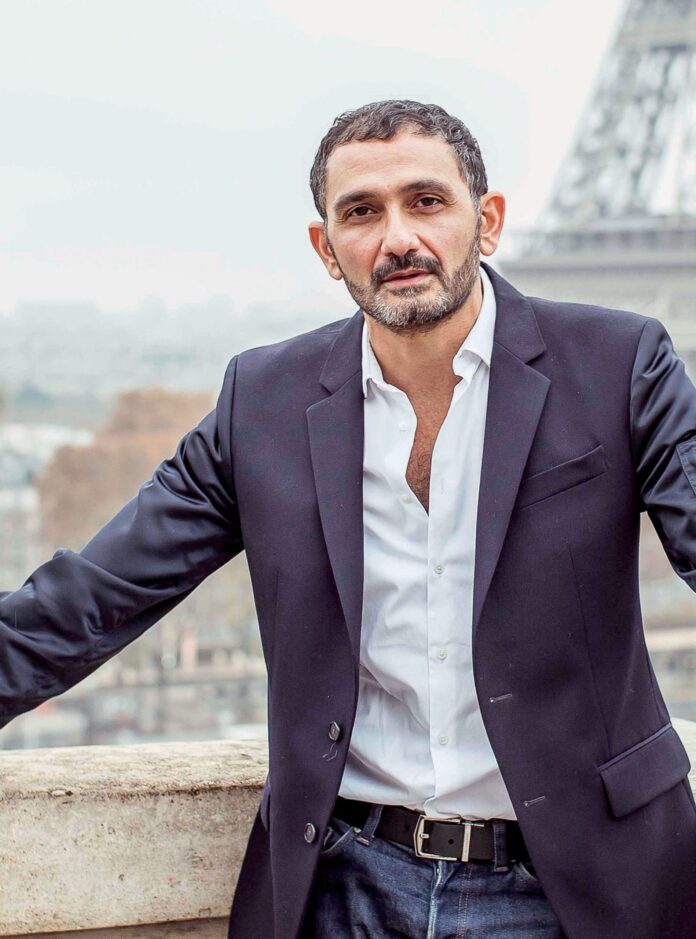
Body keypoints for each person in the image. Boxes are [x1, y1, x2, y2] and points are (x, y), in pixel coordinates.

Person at [1, 99, 695, 939]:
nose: (398, 237)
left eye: (426, 201)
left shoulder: (620, 364)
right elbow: (95, 595)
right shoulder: (263, 401)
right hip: (344, 889)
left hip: (573, 889)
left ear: (488, 221)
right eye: (361, 212)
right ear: (327, 248)